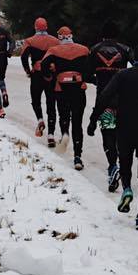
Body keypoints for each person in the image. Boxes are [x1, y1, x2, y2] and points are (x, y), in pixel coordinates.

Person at [89, 42, 138, 230]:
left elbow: (104, 97)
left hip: (125, 129)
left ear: (133, 58)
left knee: (125, 164)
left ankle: (126, 188)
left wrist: (94, 119)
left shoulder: (122, 76)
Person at [40, 26, 92, 170]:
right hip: (78, 88)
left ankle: (64, 134)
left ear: (60, 37)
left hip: (61, 88)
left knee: (64, 116)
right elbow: (90, 67)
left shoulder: (54, 50)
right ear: (71, 36)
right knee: (77, 121)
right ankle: (77, 156)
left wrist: (49, 76)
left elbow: (44, 65)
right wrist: (84, 78)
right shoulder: (84, 50)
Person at [88, 20, 132, 192]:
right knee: (121, 134)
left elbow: (86, 73)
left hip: (103, 101)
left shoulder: (94, 50)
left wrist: (97, 79)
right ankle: (122, 165)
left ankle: (113, 166)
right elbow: (136, 67)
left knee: (108, 134)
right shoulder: (126, 50)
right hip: (123, 101)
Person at [20, 17, 60, 145]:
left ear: (35, 27)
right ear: (46, 27)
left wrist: (27, 70)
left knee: (36, 100)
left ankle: (40, 120)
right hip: (51, 75)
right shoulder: (55, 41)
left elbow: (23, 56)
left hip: (37, 74)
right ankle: (51, 135)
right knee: (51, 104)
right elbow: (60, 56)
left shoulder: (30, 41)